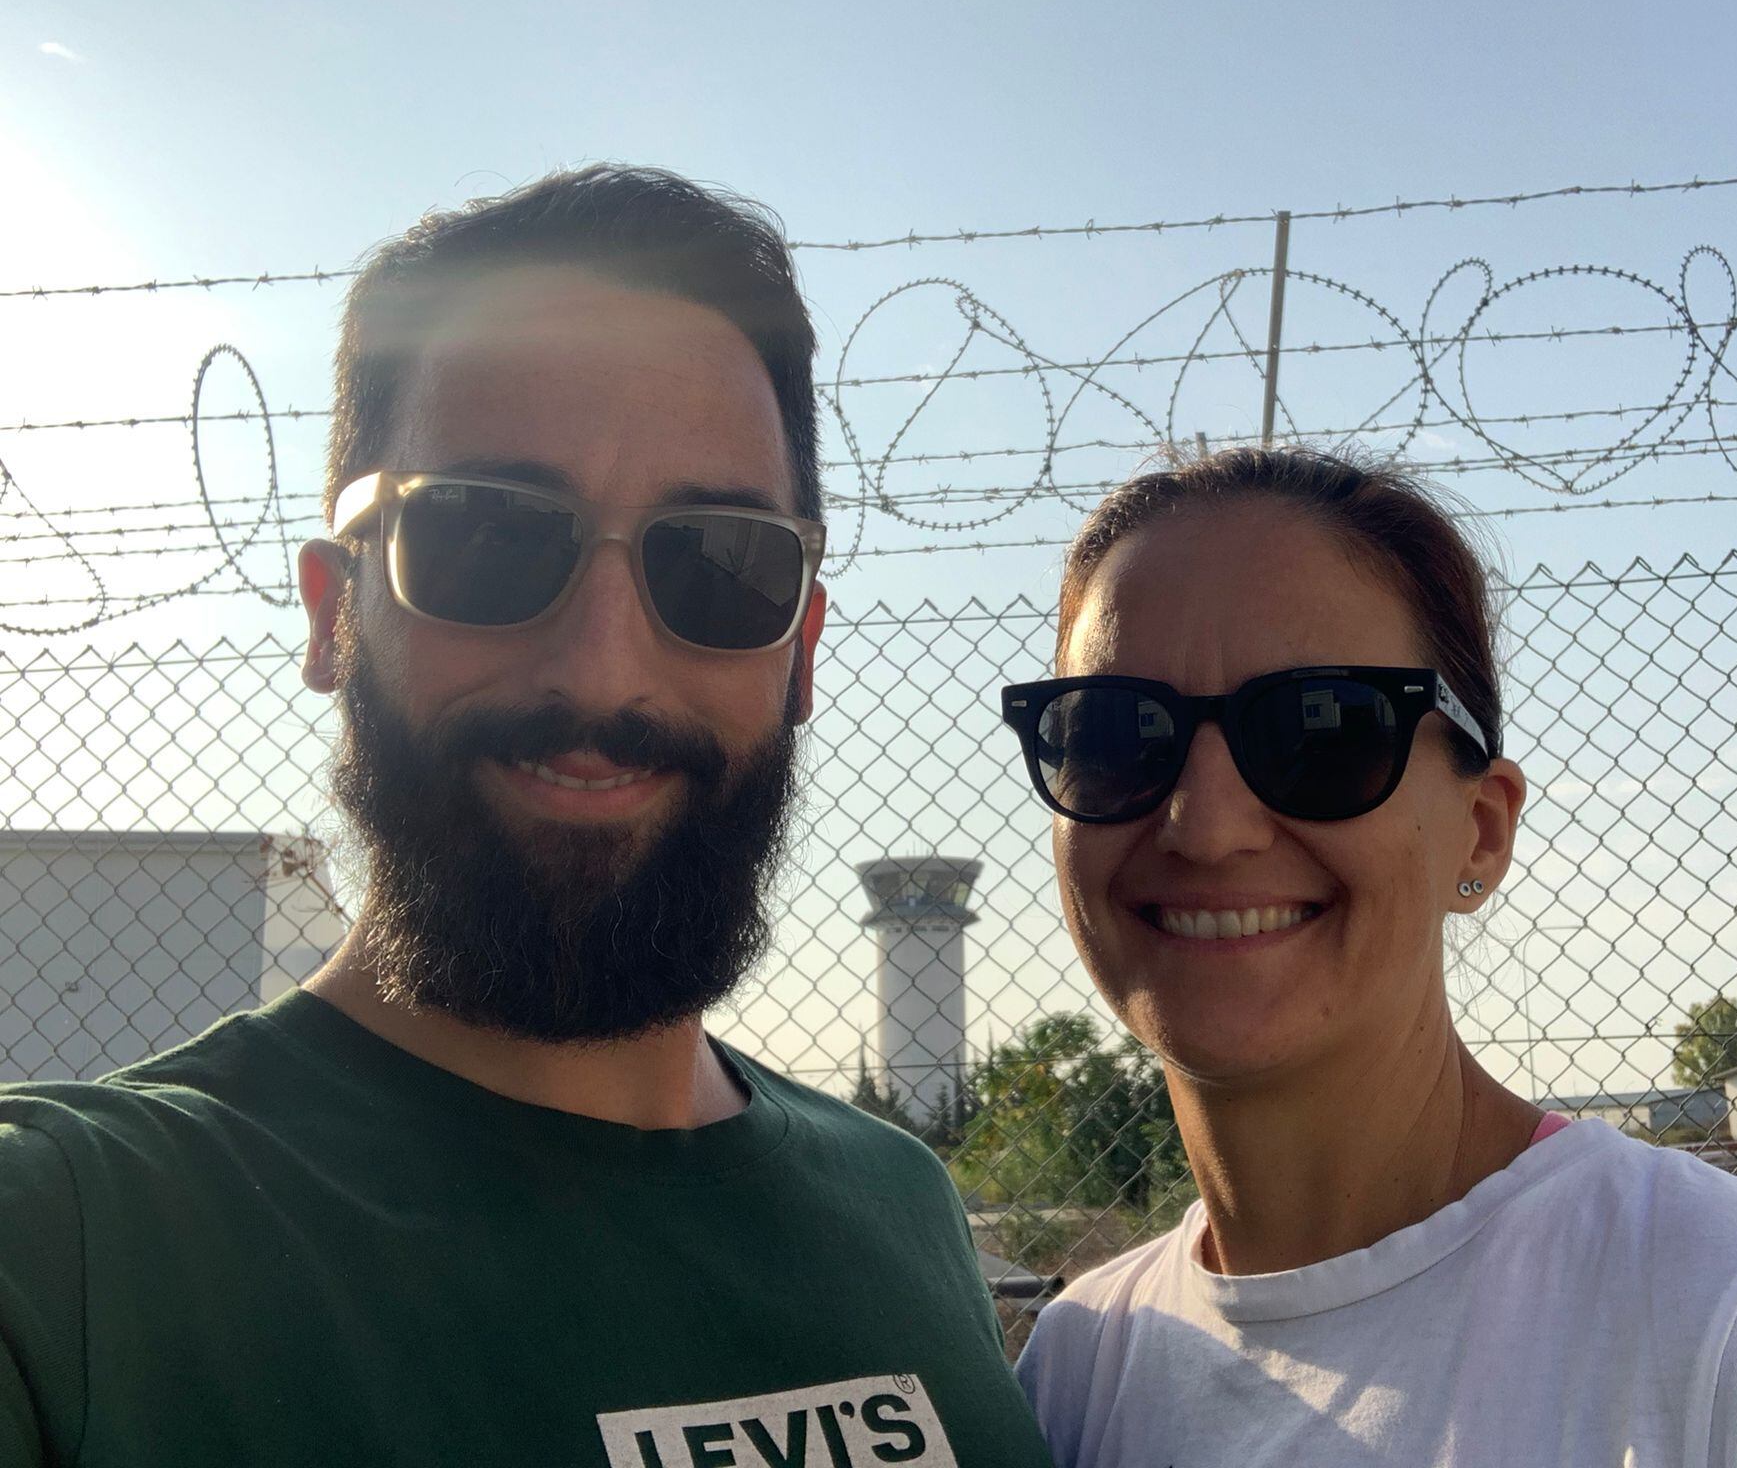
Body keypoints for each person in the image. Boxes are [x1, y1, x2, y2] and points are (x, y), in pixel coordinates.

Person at [0, 166, 1053, 1467]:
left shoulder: (902, 1209)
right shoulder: (71, 1249)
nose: (601, 671)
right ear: (335, 612)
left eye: (717, 563)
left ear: (802, 652)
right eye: (484, 538)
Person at [1000, 446, 1737, 1466]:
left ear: (1480, 832)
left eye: (1322, 730)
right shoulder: (1077, 1372)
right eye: (1111, 734)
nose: (1206, 824)